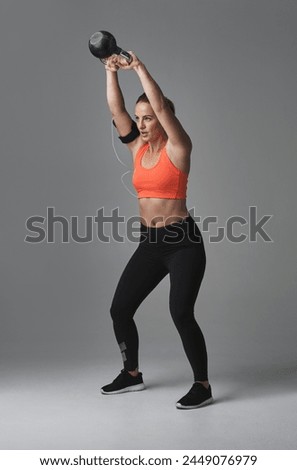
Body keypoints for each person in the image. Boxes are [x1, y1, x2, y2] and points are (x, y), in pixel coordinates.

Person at [100, 51, 213, 409]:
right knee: (120, 309)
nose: (142, 124)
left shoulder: (179, 148)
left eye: (148, 118)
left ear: (163, 120)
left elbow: (162, 106)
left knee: (180, 312)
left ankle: (203, 385)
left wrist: (138, 68)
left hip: (183, 243)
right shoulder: (137, 149)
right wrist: (110, 72)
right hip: (150, 244)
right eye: (139, 119)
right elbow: (115, 112)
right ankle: (131, 374)